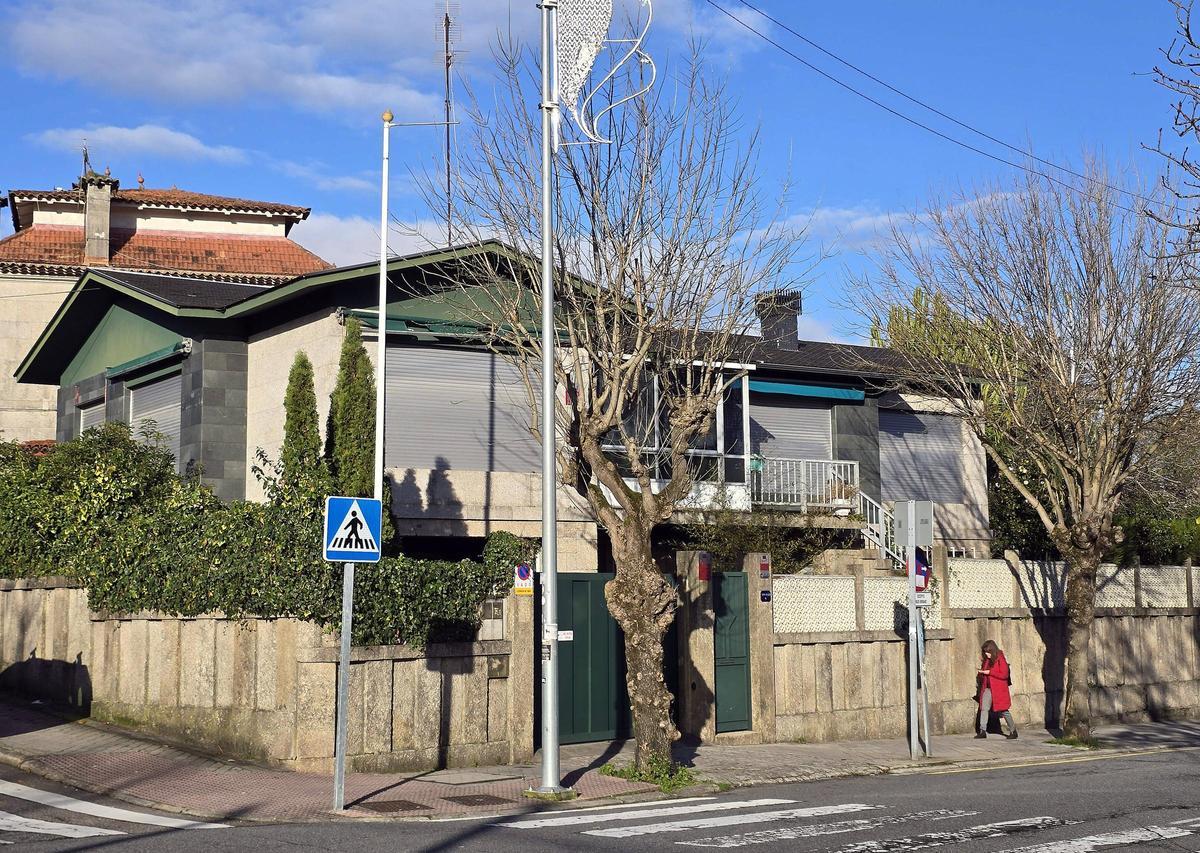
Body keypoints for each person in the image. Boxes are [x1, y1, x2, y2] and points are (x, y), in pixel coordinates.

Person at [975, 639, 1017, 739]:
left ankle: (1013, 731)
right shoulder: (987, 660)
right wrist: (981, 673)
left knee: (1003, 710)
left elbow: (1004, 674)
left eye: (988, 652)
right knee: (984, 708)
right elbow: (985, 673)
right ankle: (982, 731)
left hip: (998, 689)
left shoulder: (1000, 658)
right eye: (985, 652)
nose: (986, 654)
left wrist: (989, 672)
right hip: (988, 688)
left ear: (992, 650)